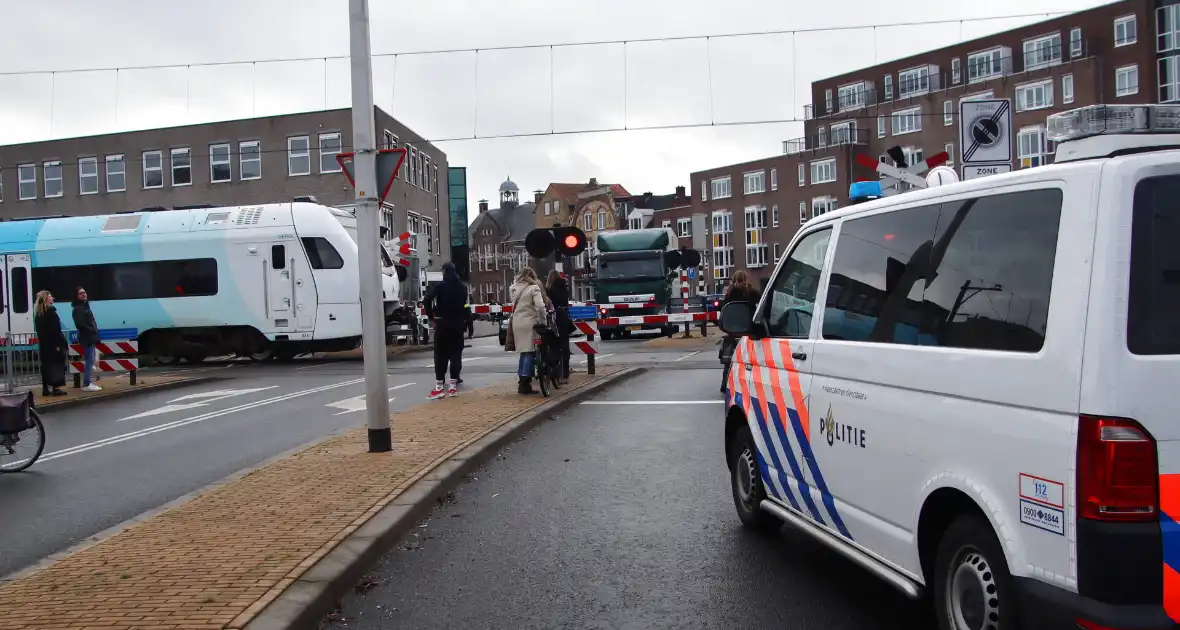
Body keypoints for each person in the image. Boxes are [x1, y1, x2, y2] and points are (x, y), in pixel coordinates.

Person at [422, 262, 470, 399]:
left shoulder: (439, 287)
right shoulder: (463, 288)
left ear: (444, 271)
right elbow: (465, 305)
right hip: (457, 326)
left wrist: (431, 315)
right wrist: (467, 321)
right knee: (456, 355)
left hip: (442, 324)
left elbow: (427, 299)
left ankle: (439, 387)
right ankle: (453, 387)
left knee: (440, 356)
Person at [507, 267, 548, 394]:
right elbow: (540, 306)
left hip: (516, 323)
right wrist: (543, 321)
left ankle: (521, 380)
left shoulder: (512, 288)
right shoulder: (534, 288)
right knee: (530, 351)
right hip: (530, 323)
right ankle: (525, 384)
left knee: (523, 352)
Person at [719, 270, 761, 393]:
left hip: (732, 329)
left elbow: (723, 308)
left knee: (729, 359)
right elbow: (761, 302)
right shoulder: (751, 292)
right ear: (746, 279)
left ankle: (725, 383)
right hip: (748, 328)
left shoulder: (730, 293)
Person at [33, 290, 68, 397]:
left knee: (46, 366)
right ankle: (56, 388)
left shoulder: (39, 314)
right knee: (56, 365)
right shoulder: (50, 313)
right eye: (50, 296)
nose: (52, 298)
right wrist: (57, 345)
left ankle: (45, 388)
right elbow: (55, 331)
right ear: (46, 299)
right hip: (53, 345)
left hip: (44, 345)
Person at [72, 286, 101, 392]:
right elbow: (80, 324)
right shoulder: (79, 308)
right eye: (80, 293)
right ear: (76, 296)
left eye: (84, 292)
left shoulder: (84, 306)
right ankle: (86, 383)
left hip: (89, 336)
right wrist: (92, 329)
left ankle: (88, 382)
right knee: (89, 360)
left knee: (91, 360)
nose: (84, 294)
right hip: (87, 337)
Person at [545, 270, 572, 381]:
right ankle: (565, 372)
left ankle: (553, 369)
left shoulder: (547, 289)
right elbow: (566, 300)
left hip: (552, 319)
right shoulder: (563, 286)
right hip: (562, 318)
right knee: (564, 346)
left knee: (553, 346)